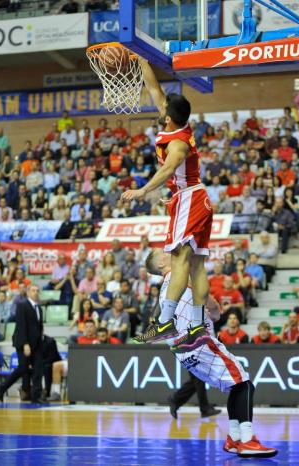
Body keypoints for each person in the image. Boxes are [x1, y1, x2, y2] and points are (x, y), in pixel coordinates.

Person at [144, 248, 277, 458]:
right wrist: (214, 311)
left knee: (237, 385)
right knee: (244, 383)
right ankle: (247, 440)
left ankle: (234, 438)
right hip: (199, 343)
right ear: (160, 265)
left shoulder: (165, 290)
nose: (167, 250)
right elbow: (204, 295)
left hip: (184, 350)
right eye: (162, 252)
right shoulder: (178, 275)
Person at [121, 58, 213, 350]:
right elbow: (153, 85)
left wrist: (143, 191)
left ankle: (166, 321)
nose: (159, 107)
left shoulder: (178, 144)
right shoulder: (172, 120)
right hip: (188, 197)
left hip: (190, 197)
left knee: (179, 261)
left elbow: (169, 170)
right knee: (197, 265)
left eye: (163, 108)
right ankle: (197, 326)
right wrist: (139, 58)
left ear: (168, 118)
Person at [0, 285, 45, 404]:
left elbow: (39, 326)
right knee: (23, 368)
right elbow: (21, 326)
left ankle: (36, 396)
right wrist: (25, 344)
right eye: (33, 290)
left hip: (37, 344)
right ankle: (2, 387)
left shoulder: (39, 308)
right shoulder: (22, 305)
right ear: (28, 293)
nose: (36, 293)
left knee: (38, 369)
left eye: (37, 291)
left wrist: (41, 340)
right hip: (24, 343)